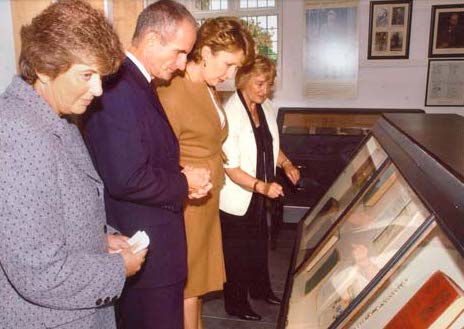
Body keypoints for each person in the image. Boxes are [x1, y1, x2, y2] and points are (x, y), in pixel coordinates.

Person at [0, 1, 147, 328]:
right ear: (43, 68)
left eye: (100, 76)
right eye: (86, 75)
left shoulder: (58, 119)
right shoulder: (17, 133)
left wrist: (102, 238)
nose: (97, 90)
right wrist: (117, 268)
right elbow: (39, 273)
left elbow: (51, 217)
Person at [83, 1, 211, 329]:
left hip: (157, 251)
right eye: (180, 52)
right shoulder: (119, 87)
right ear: (152, 40)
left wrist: (180, 173)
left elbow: (144, 155)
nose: (183, 64)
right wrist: (185, 184)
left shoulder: (139, 82)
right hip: (144, 251)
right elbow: (126, 177)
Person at [158, 17, 255, 329]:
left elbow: (210, 134)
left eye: (235, 68)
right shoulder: (174, 88)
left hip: (207, 198)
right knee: (189, 285)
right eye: (226, 65)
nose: (229, 75)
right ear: (206, 50)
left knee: (197, 285)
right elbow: (160, 154)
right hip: (188, 202)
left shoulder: (208, 86)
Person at [219, 55, 301, 321]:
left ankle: (260, 289)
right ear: (243, 80)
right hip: (238, 194)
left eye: (268, 84)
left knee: (258, 244)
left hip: (259, 193)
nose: (265, 91)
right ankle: (236, 303)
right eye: (259, 84)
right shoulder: (230, 114)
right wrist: (263, 187)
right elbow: (230, 168)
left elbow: (269, 145)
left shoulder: (265, 107)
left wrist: (287, 164)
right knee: (237, 252)